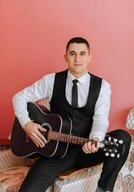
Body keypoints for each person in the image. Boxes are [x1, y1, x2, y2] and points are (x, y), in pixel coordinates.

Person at [12, 37, 131, 192]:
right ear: (65, 57)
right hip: (55, 152)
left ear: (89, 57)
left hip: (86, 150)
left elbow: (100, 119)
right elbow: (19, 97)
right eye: (72, 53)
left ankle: (103, 189)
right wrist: (26, 124)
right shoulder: (50, 81)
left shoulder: (102, 86)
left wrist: (95, 139)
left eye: (82, 54)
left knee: (122, 138)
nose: (77, 58)